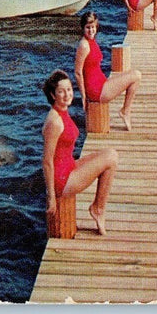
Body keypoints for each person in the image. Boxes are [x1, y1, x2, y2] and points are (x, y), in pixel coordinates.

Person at [41, 69, 118, 235]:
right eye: (61, 91)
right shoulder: (54, 122)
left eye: (69, 89)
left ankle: (97, 207)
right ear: (53, 95)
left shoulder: (61, 112)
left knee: (109, 152)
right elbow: (47, 161)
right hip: (62, 181)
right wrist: (51, 196)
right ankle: (98, 209)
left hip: (68, 167)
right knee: (111, 158)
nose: (67, 94)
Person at [74, 12, 143, 131]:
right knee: (136, 75)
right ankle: (125, 111)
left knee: (134, 75)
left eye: (93, 27)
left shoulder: (92, 41)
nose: (91, 31)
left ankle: (125, 111)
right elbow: (78, 72)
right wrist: (83, 96)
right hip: (96, 90)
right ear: (83, 28)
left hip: (101, 83)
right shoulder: (84, 45)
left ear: (97, 27)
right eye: (88, 28)